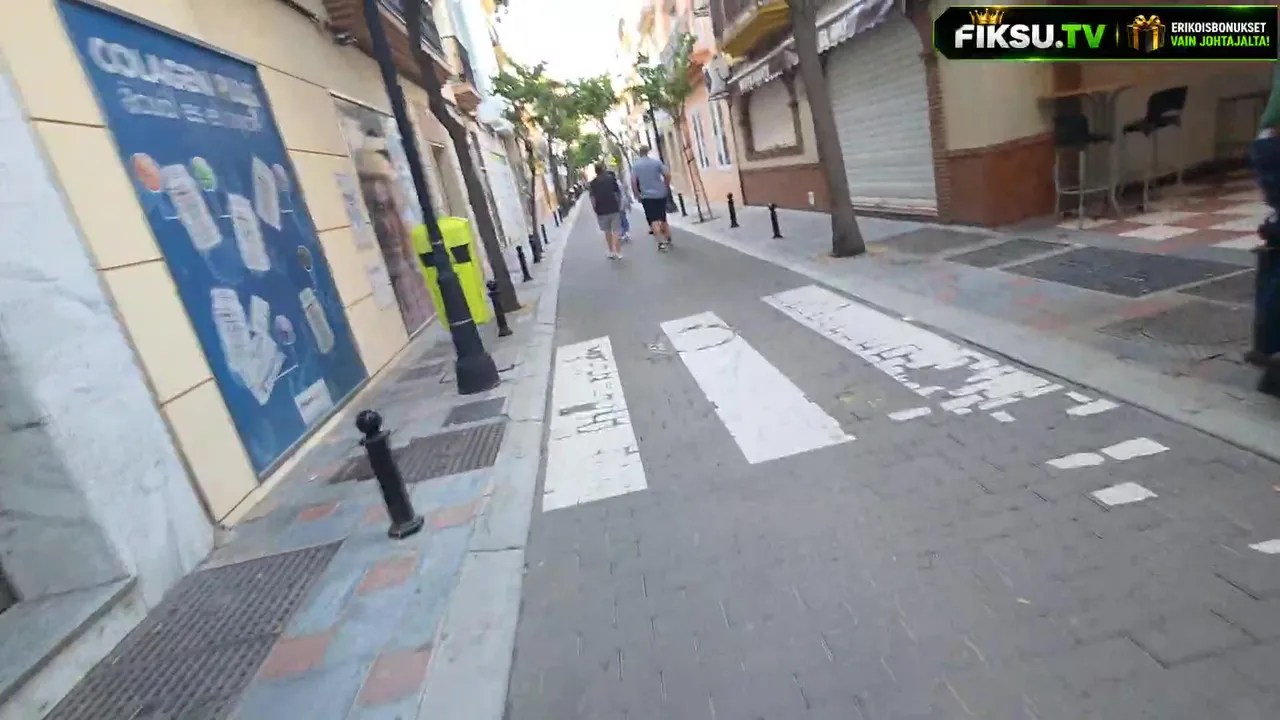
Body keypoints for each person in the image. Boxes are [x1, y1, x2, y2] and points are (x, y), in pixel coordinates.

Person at [631, 145, 674, 251]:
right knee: (662, 216)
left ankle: (661, 243)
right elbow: (667, 174)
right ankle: (668, 237)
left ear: (639, 153)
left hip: (647, 196)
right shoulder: (656, 162)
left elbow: (633, 181)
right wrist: (666, 186)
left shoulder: (636, 166)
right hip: (660, 194)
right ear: (648, 152)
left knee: (653, 219)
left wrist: (637, 194)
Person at [588, 161, 624, 260]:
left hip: (601, 210)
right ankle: (618, 252)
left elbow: (592, 198)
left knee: (607, 231)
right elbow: (617, 193)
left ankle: (611, 251)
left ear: (595, 171)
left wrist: (595, 208)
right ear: (604, 169)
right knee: (616, 230)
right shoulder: (611, 179)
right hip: (613, 207)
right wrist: (619, 204)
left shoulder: (593, 183)